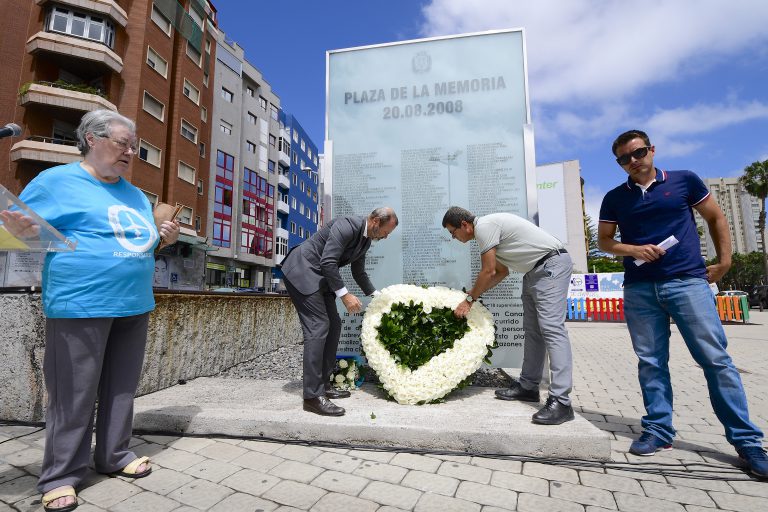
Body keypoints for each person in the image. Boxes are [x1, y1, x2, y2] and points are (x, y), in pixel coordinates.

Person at [0, 109, 180, 511]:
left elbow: (139, 242)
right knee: (73, 394)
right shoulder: (55, 181)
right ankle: (61, 475)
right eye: (123, 143)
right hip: (80, 301)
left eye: (134, 146)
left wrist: (162, 237)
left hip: (133, 302)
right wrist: (21, 231)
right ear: (92, 140)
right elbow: (17, 229)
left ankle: (114, 455)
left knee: (121, 388)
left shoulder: (135, 194)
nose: (130, 152)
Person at [598, 129, 767, 478]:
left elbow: (716, 217)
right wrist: (632, 249)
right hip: (640, 288)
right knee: (651, 362)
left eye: (638, 153)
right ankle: (659, 431)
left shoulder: (684, 180)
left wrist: (724, 262)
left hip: (687, 282)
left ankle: (747, 441)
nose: (633, 161)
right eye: (624, 158)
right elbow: (604, 241)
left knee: (715, 360)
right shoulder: (615, 197)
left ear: (651, 150)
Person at [442, 206, 575, 425]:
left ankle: (561, 402)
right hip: (534, 272)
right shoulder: (487, 233)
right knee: (532, 332)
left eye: (452, 232)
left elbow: (488, 271)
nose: (453, 238)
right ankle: (528, 387)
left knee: (553, 330)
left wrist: (469, 301)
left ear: (464, 225)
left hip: (550, 265)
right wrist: (473, 295)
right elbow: (500, 272)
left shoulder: (484, 227)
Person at [281, 207, 398, 416]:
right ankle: (312, 397)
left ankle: (324, 385)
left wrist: (377, 296)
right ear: (375, 221)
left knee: (334, 325)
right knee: (318, 327)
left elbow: (358, 272)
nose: (386, 237)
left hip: (321, 278)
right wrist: (345, 295)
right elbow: (328, 261)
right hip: (303, 271)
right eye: (386, 232)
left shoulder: (365, 240)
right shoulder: (347, 225)